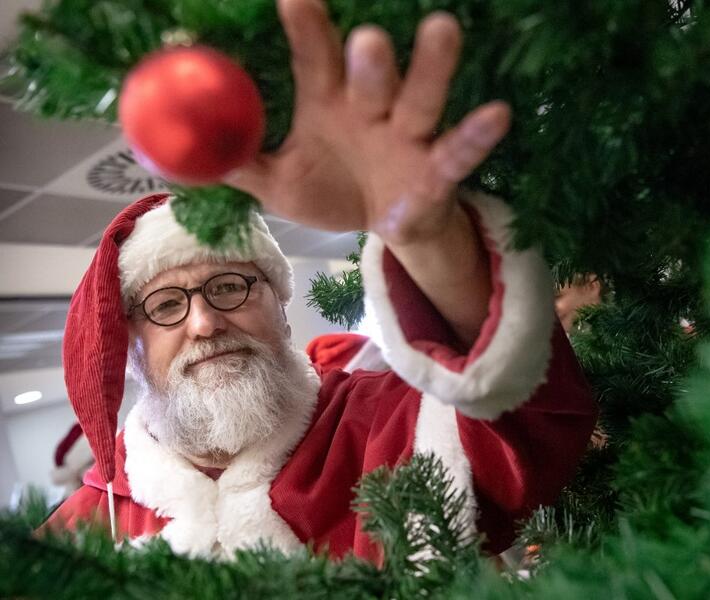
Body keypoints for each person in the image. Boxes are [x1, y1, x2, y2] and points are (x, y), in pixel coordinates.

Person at [44, 0, 597, 561]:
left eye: (231, 287)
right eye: (165, 305)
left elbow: (527, 425)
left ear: (280, 305)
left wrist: (425, 237)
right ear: (131, 343)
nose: (206, 322)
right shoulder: (81, 534)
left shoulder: (380, 426)